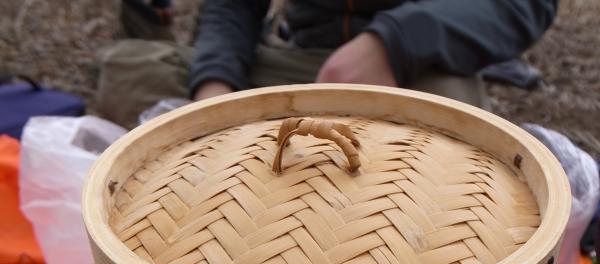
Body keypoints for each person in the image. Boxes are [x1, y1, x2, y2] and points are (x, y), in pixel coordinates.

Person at [99, 0, 558, 129]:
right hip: (297, 62)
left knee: (454, 120)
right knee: (129, 69)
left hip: (413, 71)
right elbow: (233, 9)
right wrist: (214, 89)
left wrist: (394, 43)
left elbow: (523, 6)